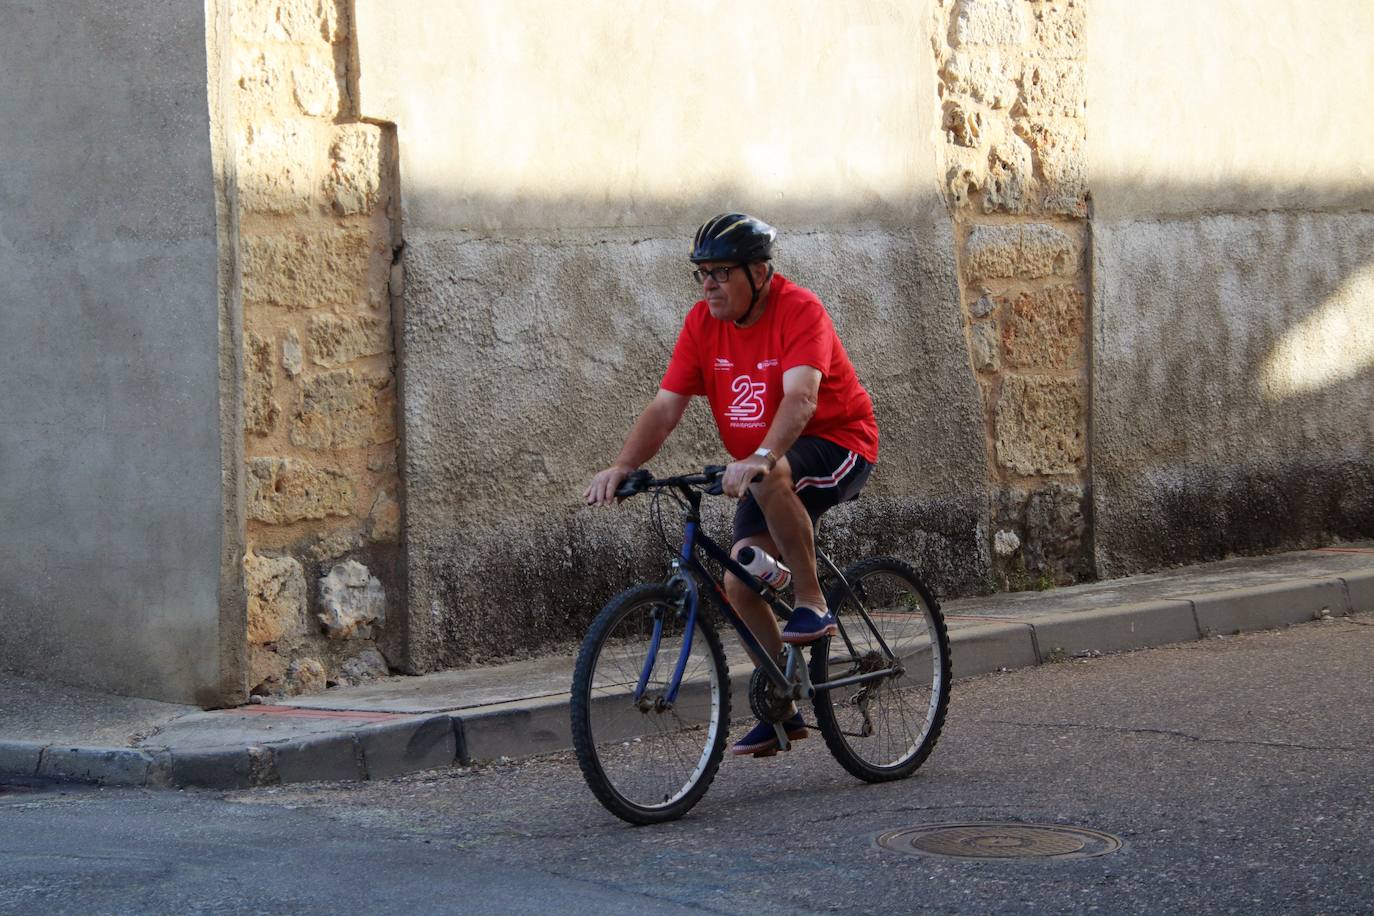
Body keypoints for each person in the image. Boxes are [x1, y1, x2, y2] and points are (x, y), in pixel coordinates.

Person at [584, 213, 879, 757]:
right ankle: (783, 703)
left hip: (839, 443)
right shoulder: (702, 324)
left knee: (776, 474)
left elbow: (802, 399)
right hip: (764, 463)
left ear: (759, 273)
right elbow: (666, 407)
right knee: (740, 581)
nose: (709, 284)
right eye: (702, 273)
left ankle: (813, 601)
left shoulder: (799, 310)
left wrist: (763, 456)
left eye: (722, 272)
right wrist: (623, 465)